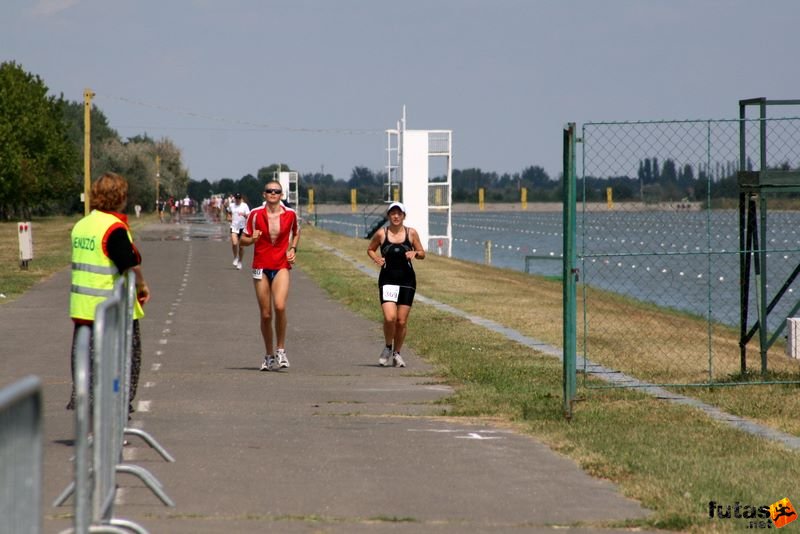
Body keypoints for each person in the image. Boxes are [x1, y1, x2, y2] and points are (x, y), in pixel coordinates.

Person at [67, 172, 151, 413]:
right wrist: (143, 286)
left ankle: (89, 426)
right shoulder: (113, 227)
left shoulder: (81, 225)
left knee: (87, 370)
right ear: (120, 197)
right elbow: (129, 263)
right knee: (120, 369)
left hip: (83, 310)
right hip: (111, 311)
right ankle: (112, 424)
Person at [240, 180, 300, 371]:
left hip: (281, 264)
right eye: (269, 191)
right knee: (266, 314)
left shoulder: (290, 214)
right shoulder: (255, 214)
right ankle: (269, 355)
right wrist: (252, 239)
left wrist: (292, 249)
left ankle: (281, 350)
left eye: (277, 191)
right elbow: (242, 240)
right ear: (264, 194)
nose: (273, 194)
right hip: (261, 266)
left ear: (281, 195)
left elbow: (297, 233)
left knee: (280, 306)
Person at [366, 201, 425, 368]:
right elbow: (370, 249)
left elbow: (422, 253)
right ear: (388, 216)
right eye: (393, 213)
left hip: (407, 280)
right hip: (388, 280)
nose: (396, 216)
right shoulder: (381, 234)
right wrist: (376, 258)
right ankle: (387, 346)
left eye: (399, 213)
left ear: (404, 216)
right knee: (389, 317)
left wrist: (415, 253)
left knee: (401, 321)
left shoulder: (411, 233)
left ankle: (397, 354)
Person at [227, 192, 250, 269]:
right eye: (236, 198)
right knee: (234, 243)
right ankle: (235, 257)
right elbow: (229, 213)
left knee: (241, 247)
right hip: (234, 227)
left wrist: (244, 215)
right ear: (234, 198)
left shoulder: (244, 206)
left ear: (241, 198)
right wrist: (229, 217)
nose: (237, 200)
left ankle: (240, 261)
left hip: (243, 227)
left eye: (239, 198)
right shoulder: (231, 205)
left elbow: (249, 216)